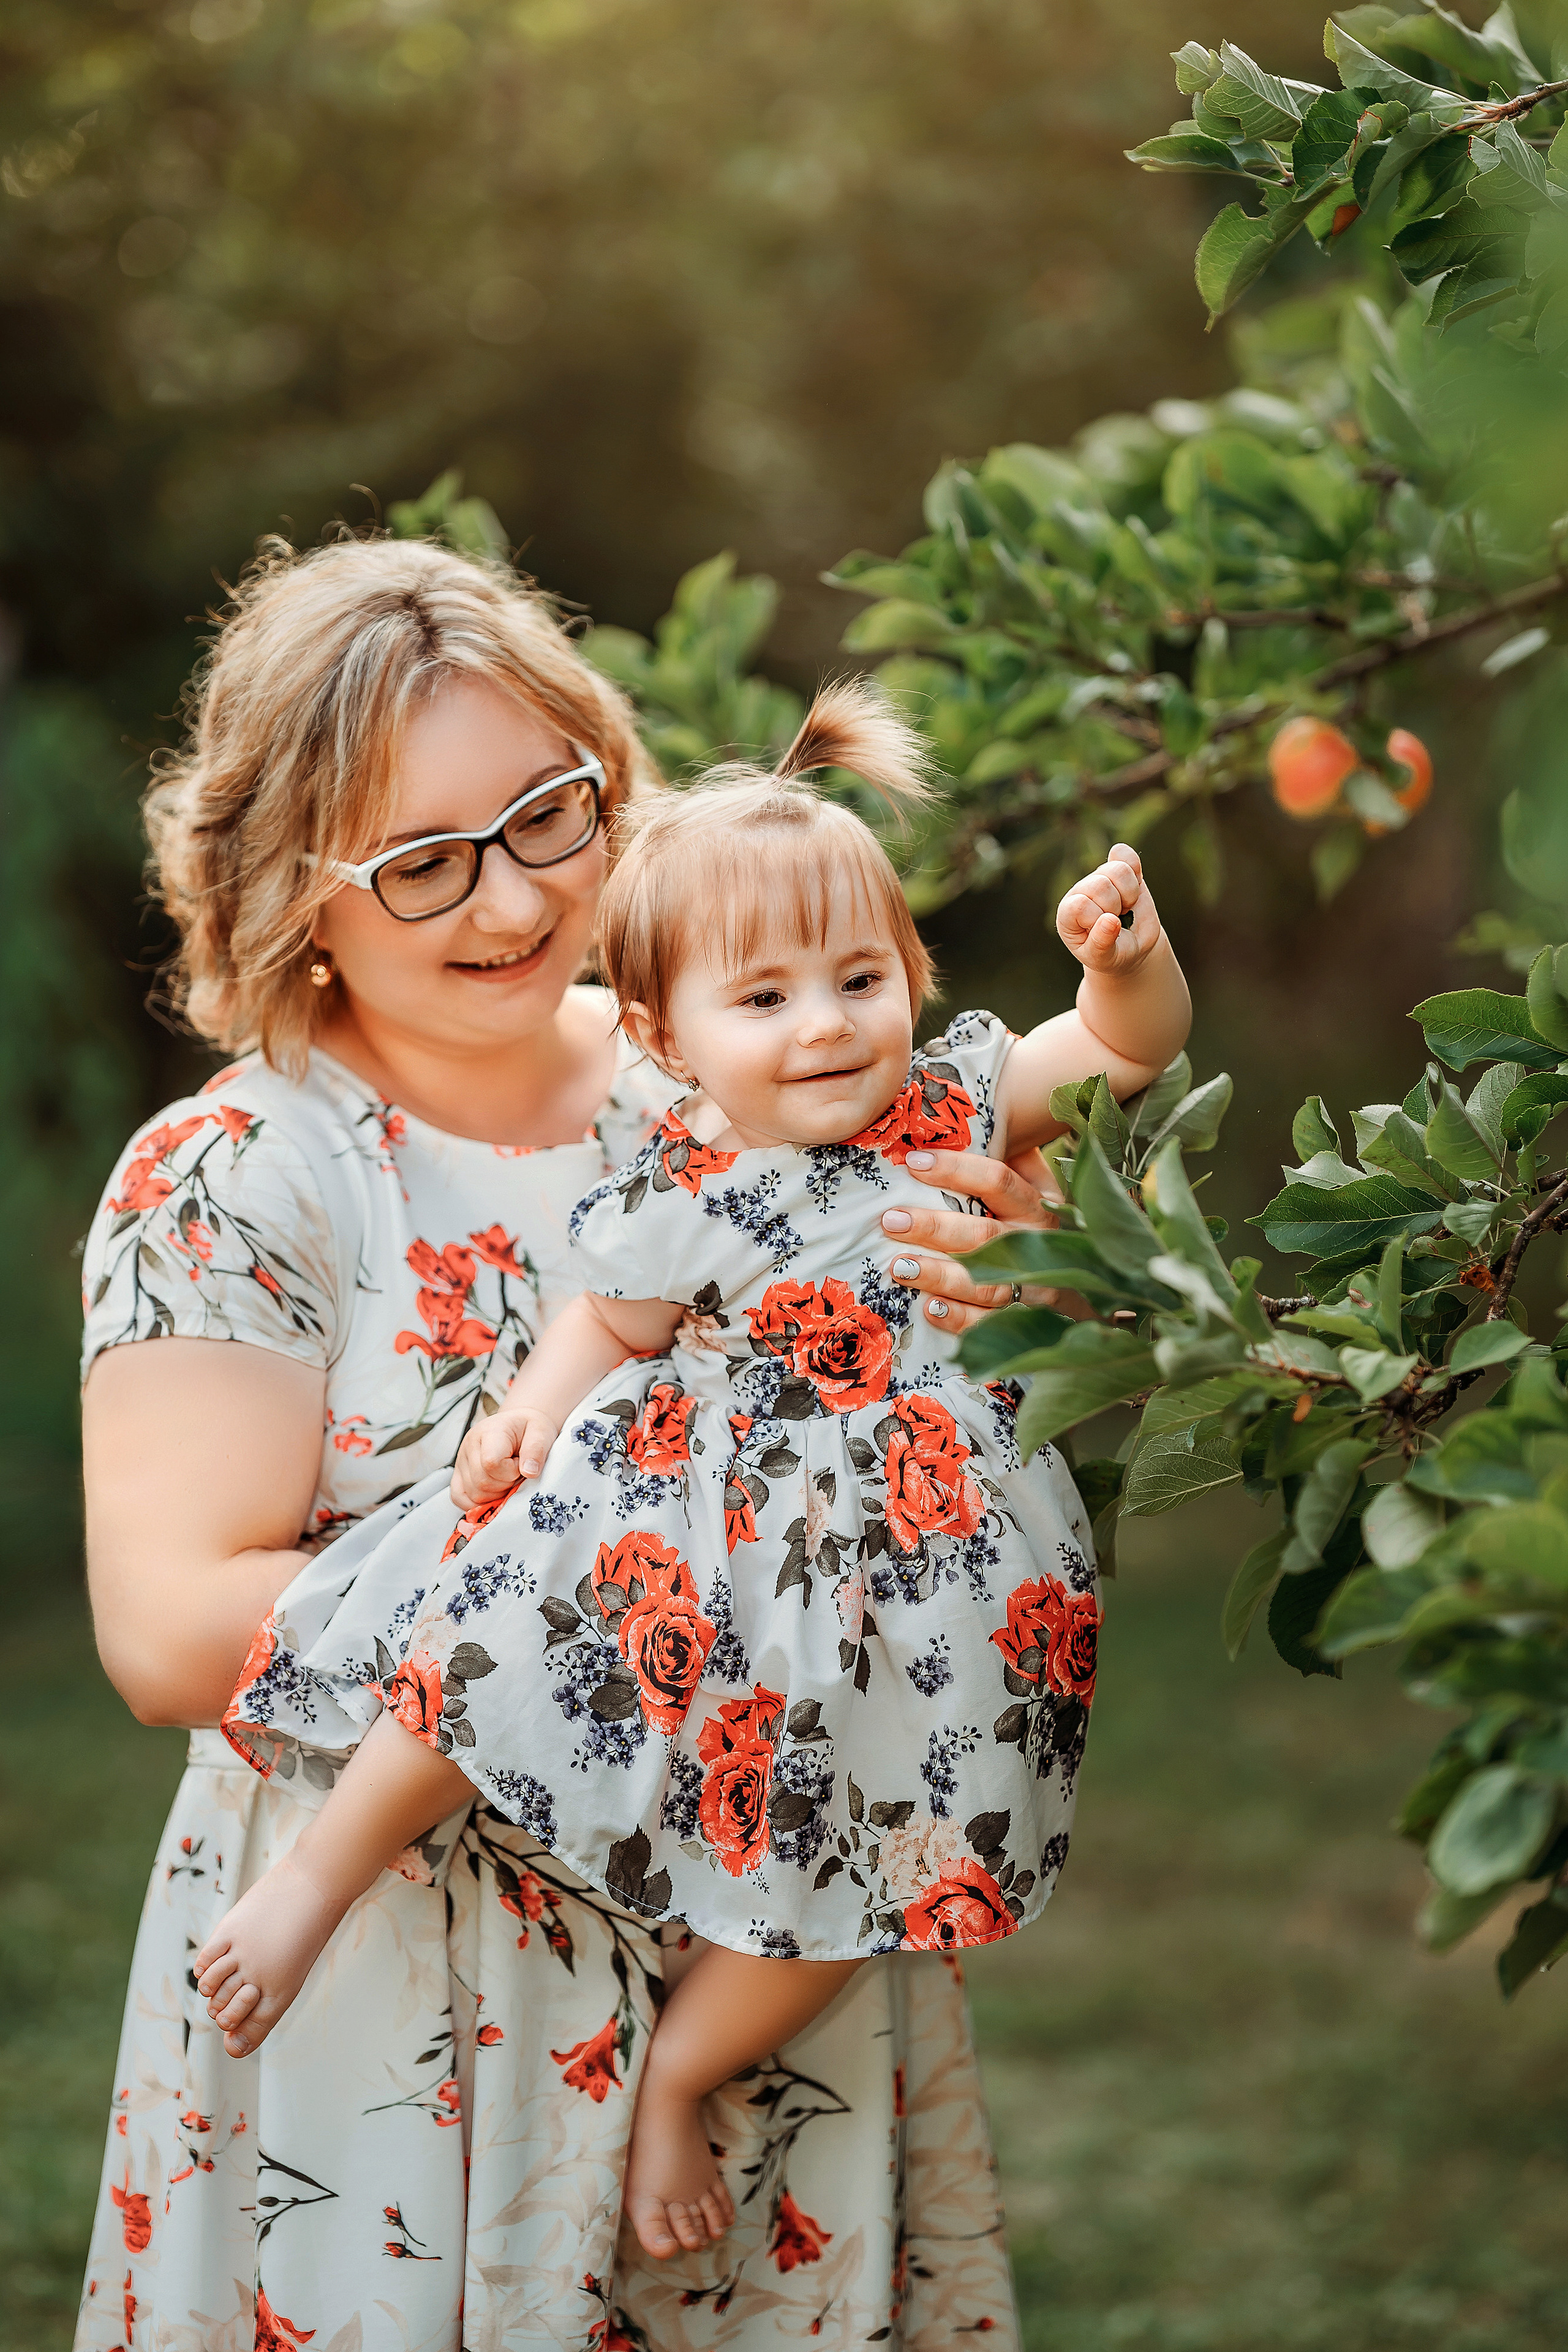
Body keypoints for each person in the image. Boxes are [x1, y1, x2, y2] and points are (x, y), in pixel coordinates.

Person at [77, 532, 1079, 2349]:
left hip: (770, 1910)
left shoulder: (731, 1070)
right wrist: (652, 1591)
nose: (514, 900)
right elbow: (164, 1632)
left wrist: (1007, 1307)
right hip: (418, 1982)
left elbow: (944, 1369)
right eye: (425, 861)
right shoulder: (240, 1175)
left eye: (550, 814)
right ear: (294, 887)